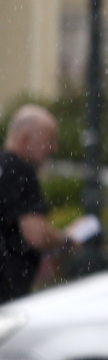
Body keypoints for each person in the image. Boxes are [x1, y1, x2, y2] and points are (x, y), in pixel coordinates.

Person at [0, 105, 66, 303]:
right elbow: (36, 234)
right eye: (49, 141)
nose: (54, 149)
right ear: (25, 137)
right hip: (8, 295)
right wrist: (67, 240)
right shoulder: (19, 170)